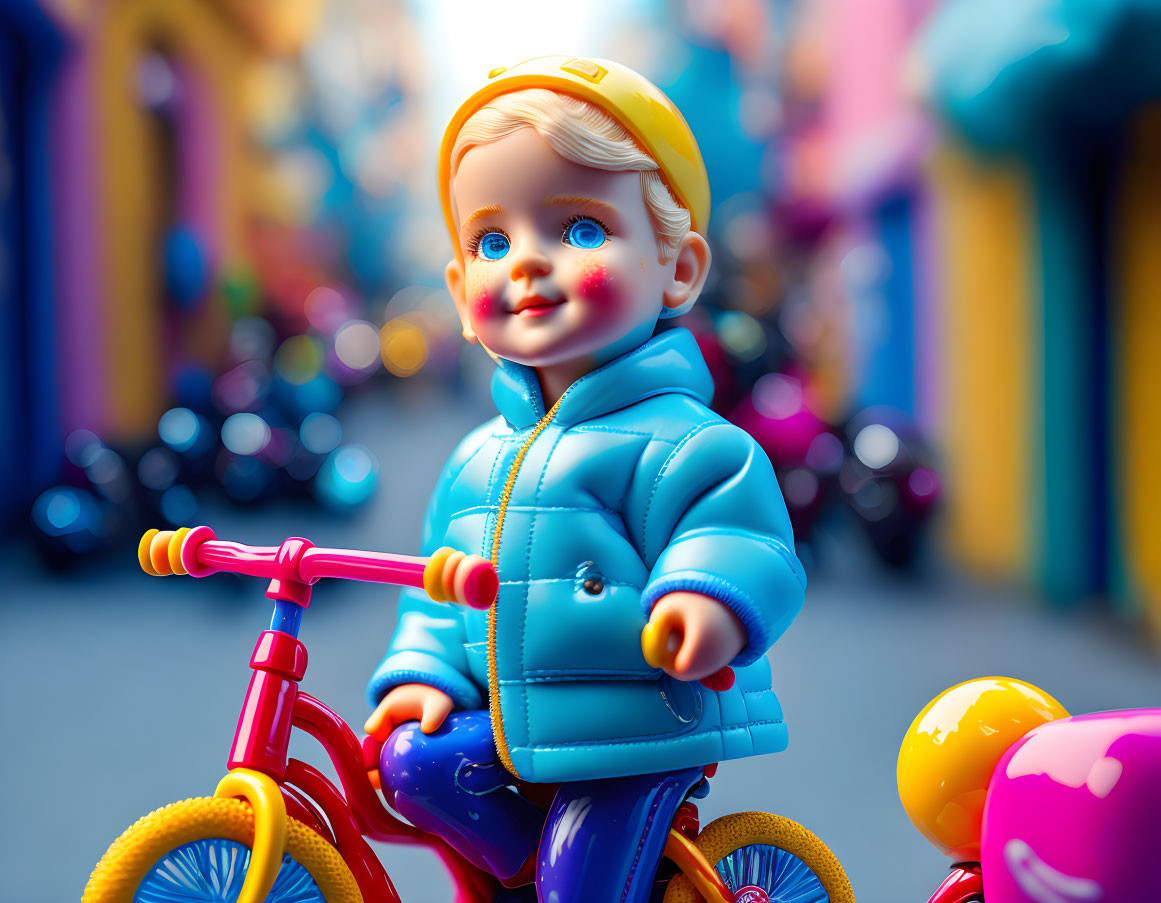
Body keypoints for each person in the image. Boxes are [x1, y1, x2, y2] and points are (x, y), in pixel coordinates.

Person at [364, 56, 806, 902]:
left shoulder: (688, 444)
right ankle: (519, 873)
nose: (525, 264)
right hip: (512, 726)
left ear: (676, 268)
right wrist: (421, 669)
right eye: (492, 241)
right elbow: (434, 589)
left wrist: (704, 600)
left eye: (576, 229)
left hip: (641, 728)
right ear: (460, 292)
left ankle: (567, 876)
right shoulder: (476, 458)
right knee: (410, 763)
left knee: (583, 879)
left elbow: (743, 538)